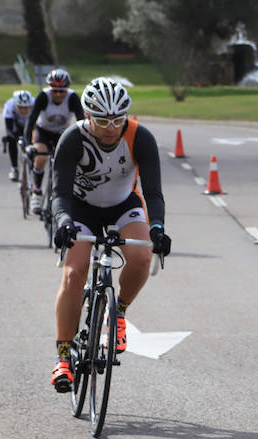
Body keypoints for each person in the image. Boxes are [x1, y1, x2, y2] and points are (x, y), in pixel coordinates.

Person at [49, 77, 171, 393]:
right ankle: (63, 357)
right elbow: (59, 193)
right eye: (102, 120)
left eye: (118, 119)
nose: (110, 127)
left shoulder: (140, 137)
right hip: (80, 208)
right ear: (88, 115)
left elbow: (153, 191)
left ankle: (119, 314)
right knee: (74, 274)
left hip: (122, 205)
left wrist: (157, 227)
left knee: (142, 257)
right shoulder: (73, 139)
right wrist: (63, 222)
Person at [23, 68, 84, 214]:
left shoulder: (73, 98)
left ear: (67, 89)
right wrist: (27, 144)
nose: (58, 94)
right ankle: (36, 191)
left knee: (65, 160)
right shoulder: (43, 97)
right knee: (41, 156)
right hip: (43, 131)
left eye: (61, 91)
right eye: (54, 90)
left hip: (62, 133)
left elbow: (82, 121)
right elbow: (31, 120)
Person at [2, 89, 34, 181]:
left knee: (34, 142)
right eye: (20, 107)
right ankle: (14, 168)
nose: (24, 110)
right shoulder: (9, 105)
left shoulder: (35, 103)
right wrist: (9, 136)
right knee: (11, 140)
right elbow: (8, 127)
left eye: (27, 107)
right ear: (15, 105)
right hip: (17, 126)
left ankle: (32, 166)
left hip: (31, 125)